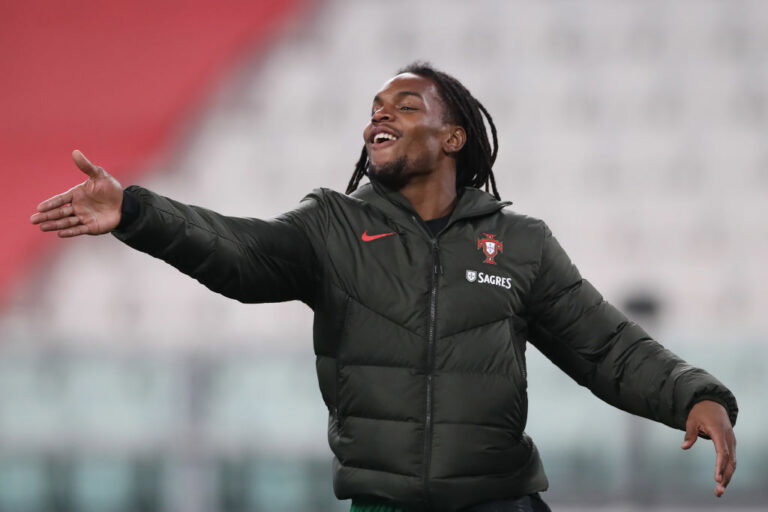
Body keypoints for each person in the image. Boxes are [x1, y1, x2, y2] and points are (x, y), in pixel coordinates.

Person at [31, 63, 737, 512]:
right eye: (375, 107)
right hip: (383, 506)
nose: (380, 116)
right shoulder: (331, 224)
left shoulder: (521, 242)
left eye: (404, 106)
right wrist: (137, 212)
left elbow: (605, 345)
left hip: (500, 502)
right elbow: (240, 255)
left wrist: (694, 395)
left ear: (453, 138)